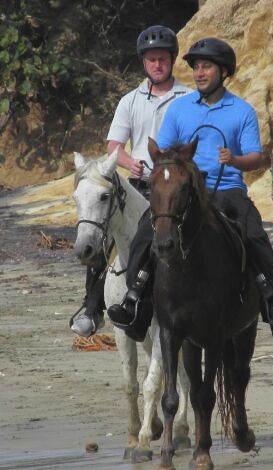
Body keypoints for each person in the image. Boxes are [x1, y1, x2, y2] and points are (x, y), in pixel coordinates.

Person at [108, 37, 273, 340]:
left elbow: (256, 157)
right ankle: (135, 301)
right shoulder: (181, 110)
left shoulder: (242, 110)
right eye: (196, 67)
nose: (199, 73)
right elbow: (165, 153)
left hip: (227, 191)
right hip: (183, 192)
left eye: (206, 66)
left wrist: (234, 159)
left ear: (224, 72)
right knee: (147, 230)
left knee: (253, 233)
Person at [71, 25, 193, 337]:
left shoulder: (189, 98)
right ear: (144, 63)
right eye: (152, 59)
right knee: (105, 232)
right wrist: (131, 163)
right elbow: (114, 147)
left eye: (163, 59)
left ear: (172, 60)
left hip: (174, 185)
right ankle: (92, 308)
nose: (157, 64)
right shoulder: (130, 101)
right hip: (139, 183)